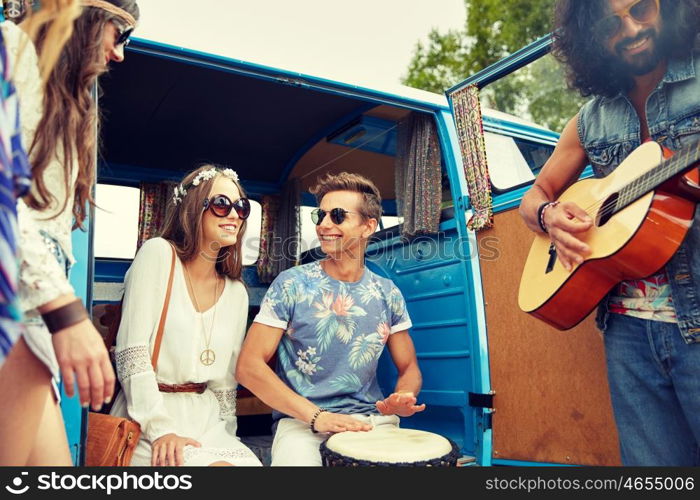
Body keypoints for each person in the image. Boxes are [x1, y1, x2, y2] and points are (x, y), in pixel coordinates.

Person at [519, 0, 700, 466]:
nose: (632, 28)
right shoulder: (588, 121)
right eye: (611, 23)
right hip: (627, 334)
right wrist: (550, 216)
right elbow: (535, 195)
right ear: (590, 37)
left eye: (641, 9)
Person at [0, 0, 139, 466]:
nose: (120, 53)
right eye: (120, 32)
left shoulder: (61, 97)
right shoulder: (10, 51)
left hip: (31, 311)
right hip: (15, 309)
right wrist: (66, 311)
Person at [237, 172, 425, 466]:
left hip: (370, 421)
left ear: (368, 226)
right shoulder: (291, 284)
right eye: (320, 215)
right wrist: (317, 417)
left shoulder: (387, 293)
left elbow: (409, 366)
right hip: (302, 423)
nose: (324, 225)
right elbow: (248, 367)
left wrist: (402, 396)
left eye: (337, 216)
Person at [109, 165, 262, 467]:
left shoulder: (236, 293)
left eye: (241, 207)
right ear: (194, 210)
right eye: (221, 204)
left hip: (207, 421)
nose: (234, 215)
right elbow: (132, 353)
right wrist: (161, 430)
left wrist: (228, 437)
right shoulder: (158, 255)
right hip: (147, 418)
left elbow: (224, 384)